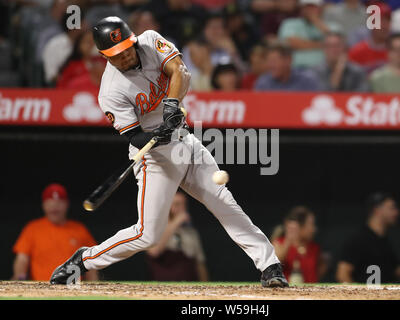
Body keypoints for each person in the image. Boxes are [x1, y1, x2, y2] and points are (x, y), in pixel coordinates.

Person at [50, 16, 288, 288]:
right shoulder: (110, 91)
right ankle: (84, 260)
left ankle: (270, 265)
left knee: (224, 203)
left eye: (128, 47)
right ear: (104, 56)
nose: (126, 55)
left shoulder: (150, 41)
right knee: (147, 235)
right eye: (117, 54)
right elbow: (134, 136)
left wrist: (172, 106)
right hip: (156, 156)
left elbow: (177, 69)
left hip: (185, 141)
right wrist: (154, 135)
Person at [12, 184, 98, 281]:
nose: (54, 206)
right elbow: (22, 259)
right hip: (40, 290)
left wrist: (93, 286)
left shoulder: (79, 229)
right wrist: (19, 279)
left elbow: (91, 261)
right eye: (50, 202)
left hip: (72, 290)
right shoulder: (32, 228)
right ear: (44, 205)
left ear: (66, 204)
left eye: (59, 202)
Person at [146, 191, 208, 281]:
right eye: (177, 204)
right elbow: (154, 252)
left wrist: (204, 283)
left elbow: (199, 263)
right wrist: (175, 222)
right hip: (163, 285)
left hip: (189, 286)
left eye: (184, 204)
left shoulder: (190, 231)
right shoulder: (156, 228)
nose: (182, 208)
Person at [271, 206, 328, 283]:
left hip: (311, 293)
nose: (314, 229)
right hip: (285, 293)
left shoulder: (315, 247)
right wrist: (289, 238)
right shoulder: (278, 243)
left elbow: (317, 273)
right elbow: (274, 264)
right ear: (299, 226)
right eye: (311, 224)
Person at [278, 0, 339, 68]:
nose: (309, 10)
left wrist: (316, 21)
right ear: (301, 8)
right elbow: (292, 43)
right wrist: (323, 45)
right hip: (297, 67)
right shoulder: (289, 23)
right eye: (306, 7)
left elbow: (336, 42)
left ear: (320, 8)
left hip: (324, 69)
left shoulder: (332, 26)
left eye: (313, 7)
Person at [254, 43, 323, 91]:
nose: (270, 65)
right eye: (269, 61)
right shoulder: (263, 83)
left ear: (288, 60)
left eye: (274, 61)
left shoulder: (306, 81)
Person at [348, 2, 393, 73]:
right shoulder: (357, 51)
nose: (384, 25)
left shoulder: (399, 51)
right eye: (380, 20)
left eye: (388, 20)